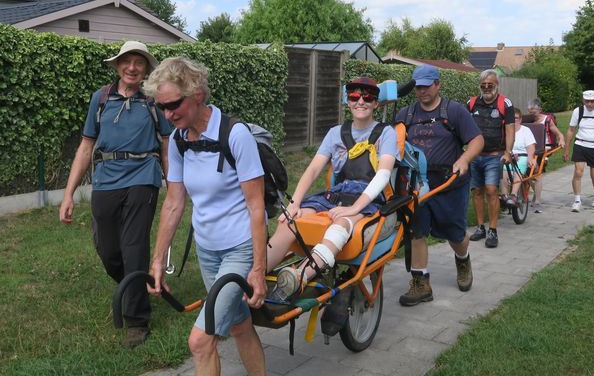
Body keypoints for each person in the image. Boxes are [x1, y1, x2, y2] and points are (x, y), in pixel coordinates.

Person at [145, 57, 267, 376]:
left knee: (200, 341)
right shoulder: (179, 140)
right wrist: (157, 261)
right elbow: (173, 203)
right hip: (207, 251)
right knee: (238, 325)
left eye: (173, 105)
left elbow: (257, 207)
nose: (168, 114)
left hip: (239, 250)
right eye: (162, 108)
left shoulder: (235, 134)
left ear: (197, 93)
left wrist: (257, 268)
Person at [59, 40, 171, 348]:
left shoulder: (152, 100)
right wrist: (68, 195)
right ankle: (140, 284)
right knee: (109, 252)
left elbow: (165, 144)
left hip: (142, 178)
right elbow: (85, 147)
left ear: (146, 68)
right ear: (117, 65)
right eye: (127, 61)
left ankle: (137, 319)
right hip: (106, 180)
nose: (132, 67)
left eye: (139, 62)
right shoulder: (101, 98)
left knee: (133, 247)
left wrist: (173, 182)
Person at [266, 76, 398, 300]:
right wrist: (294, 203)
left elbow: (384, 174)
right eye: (354, 96)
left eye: (368, 97)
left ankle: (300, 276)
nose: (361, 101)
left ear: (377, 103)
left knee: (342, 223)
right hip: (336, 194)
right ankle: (252, 274)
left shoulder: (386, 133)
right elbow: (313, 169)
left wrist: (355, 208)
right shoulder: (336, 133)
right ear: (347, 101)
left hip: (368, 196)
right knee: (290, 222)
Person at [395, 64, 483, 306]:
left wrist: (464, 159)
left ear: (437, 84)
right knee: (417, 231)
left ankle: (463, 258)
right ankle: (421, 284)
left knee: (454, 233)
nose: (422, 91)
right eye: (418, 87)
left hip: (449, 184)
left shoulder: (454, 111)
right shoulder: (406, 114)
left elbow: (477, 139)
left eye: (426, 86)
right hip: (416, 186)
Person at [467, 69, 515, 248]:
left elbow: (510, 129)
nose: (486, 88)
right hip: (475, 155)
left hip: (495, 156)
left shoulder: (505, 103)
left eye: (490, 85)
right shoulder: (471, 103)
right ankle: (480, 228)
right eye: (483, 85)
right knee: (477, 191)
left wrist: (508, 152)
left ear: (497, 85)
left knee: (491, 190)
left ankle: (493, 230)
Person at [563, 90, 594, 212]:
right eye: (587, 101)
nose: (589, 104)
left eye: (592, 101)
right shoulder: (577, 111)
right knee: (578, 172)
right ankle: (577, 200)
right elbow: (571, 130)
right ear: (583, 100)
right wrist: (566, 149)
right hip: (580, 144)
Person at [525, 98, 565, 213]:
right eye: (530, 111)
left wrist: (561, 140)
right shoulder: (528, 121)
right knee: (528, 174)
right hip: (530, 148)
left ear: (540, 110)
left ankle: (537, 202)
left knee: (536, 174)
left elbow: (559, 134)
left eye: (534, 111)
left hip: (544, 149)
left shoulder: (547, 120)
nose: (532, 114)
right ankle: (534, 195)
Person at [501, 108, 537, 206]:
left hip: (522, 156)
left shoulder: (525, 130)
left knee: (518, 167)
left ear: (520, 119)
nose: (514, 120)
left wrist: (530, 157)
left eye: (516, 118)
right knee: (504, 169)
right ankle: (504, 195)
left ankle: (513, 195)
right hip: (508, 155)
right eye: (511, 118)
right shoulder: (505, 131)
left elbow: (531, 147)